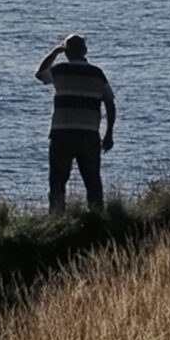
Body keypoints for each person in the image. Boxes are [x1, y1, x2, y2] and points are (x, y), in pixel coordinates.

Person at [35, 33, 116, 212]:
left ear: (67, 52)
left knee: (57, 181)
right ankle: (97, 218)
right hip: (89, 133)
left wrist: (56, 51)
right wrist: (109, 133)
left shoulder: (60, 70)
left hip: (62, 133)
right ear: (85, 51)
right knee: (93, 181)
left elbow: (40, 74)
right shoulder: (97, 73)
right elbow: (110, 103)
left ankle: (57, 218)